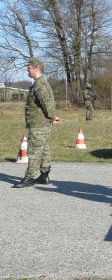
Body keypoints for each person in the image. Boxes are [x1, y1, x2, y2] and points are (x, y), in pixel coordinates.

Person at [13, 57, 60, 188]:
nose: (27, 70)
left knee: (34, 151)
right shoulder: (39, 83)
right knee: (44, 149)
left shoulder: (40, 85)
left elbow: (47, 104)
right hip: (40, 124)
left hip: (39, 125)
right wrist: (51, 117)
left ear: (36, 68)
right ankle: (44, 176)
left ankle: (29, 178)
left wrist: (52, 116)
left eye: (29, 67)